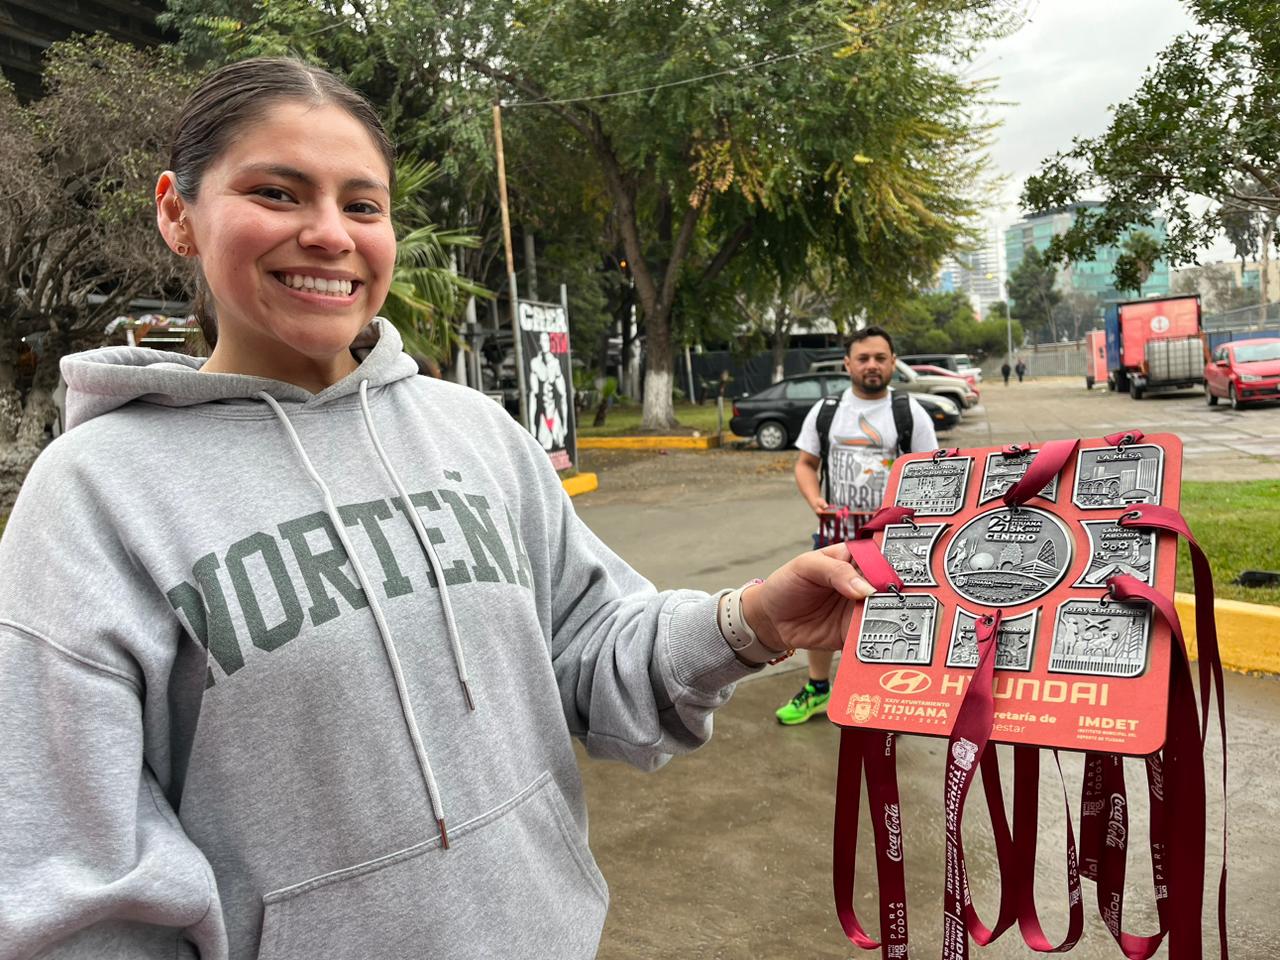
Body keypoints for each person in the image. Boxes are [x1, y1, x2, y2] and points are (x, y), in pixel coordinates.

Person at [0, 59, 876, 960]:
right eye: (277, 191)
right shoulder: (94, 497)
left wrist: (752, 621)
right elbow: (79, 884)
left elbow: (590, 645)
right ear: (177, 212)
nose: (329, 234)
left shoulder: (475, 434)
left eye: (363, 204)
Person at [777, 326, 937, 725]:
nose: (872, 365)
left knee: (894, 614)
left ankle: (887, 696)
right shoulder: (827, 410)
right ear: (847, 363)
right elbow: (805, 464)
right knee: (820, 606)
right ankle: (818, 688)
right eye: (863, 358)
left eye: (880, 358)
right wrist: (814, 498)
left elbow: (934, 471)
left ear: (893, 363)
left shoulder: (908, 412)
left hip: (892, 536)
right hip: (836, 533)